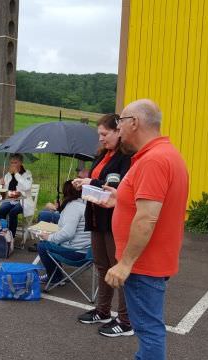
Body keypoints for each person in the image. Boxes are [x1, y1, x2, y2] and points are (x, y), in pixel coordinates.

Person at [98, 99, 189, 359]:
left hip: (143, 264)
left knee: (148, 331)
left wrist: (125, 263)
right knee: (149, 328)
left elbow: (147, 217)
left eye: (121, 123)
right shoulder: (165, 154)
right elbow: (152, 204)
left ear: (134, 123)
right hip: (152, 261)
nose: (120, 130)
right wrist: (120, 198)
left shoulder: (154, 160)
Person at [73, 113, 133, 337]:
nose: (101, 139)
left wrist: (92, 182)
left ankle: (126, 320)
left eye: (104, 134)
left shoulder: (127, 157)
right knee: (102, 266)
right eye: (99, 134)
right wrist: (84, 183)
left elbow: (121, 187)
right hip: (96, 216)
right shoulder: (102, 154)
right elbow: (99, 183)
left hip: (114, 219)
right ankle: (103, 310)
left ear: (119, 132)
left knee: (118, 268)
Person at [36, 181, 91, 285]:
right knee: (53, 241)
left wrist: (49, 237)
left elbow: (68, 234)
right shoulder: (86, 204)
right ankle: (56, 274)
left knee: (42, 246)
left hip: (77, 254)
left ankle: (54, 277)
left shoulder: (73, 206)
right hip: (89, 252)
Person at [0, 154, 34, 237]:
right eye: (11, 163)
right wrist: (0, 184)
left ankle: (11, 236)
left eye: (15, 162)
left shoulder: (27, 173)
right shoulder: (8, 175)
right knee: (1, 211)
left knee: (12, 212)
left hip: (23, 201)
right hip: (10, 200)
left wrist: (17, 174)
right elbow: (0, 191)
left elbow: (27, 187)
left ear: (20, 162)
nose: (13, 165)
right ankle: (4, 231)